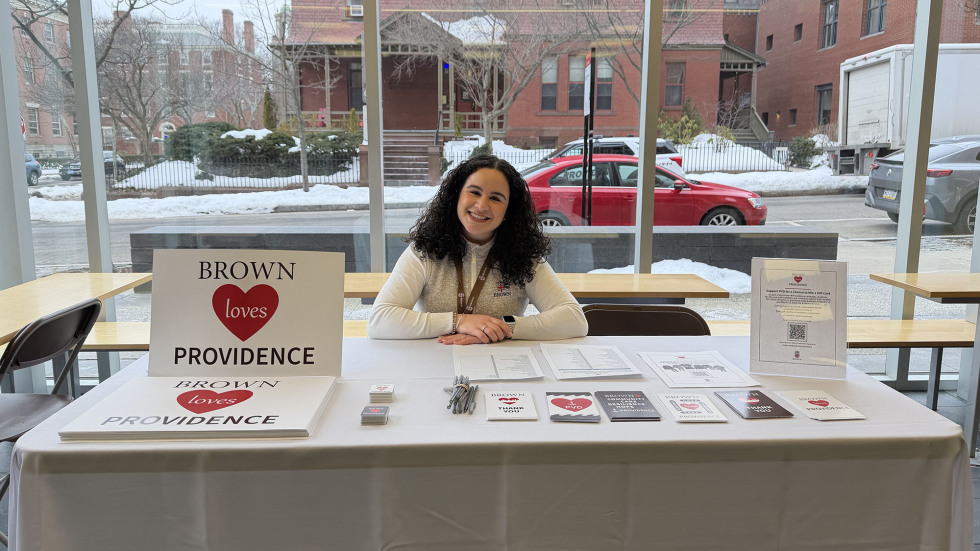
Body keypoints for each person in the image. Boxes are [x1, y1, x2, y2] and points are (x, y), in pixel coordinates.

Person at [367, 154, 587, 344]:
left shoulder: (524, 255)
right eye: (474, 192)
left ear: (508, 211)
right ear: (456, 196)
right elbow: (380, 321)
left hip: (501, 365)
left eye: (495, 198)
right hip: (436, 359)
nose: (481, 205)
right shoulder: (424, 250)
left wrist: (500, 328)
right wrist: (459, 321)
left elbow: (574, 320)